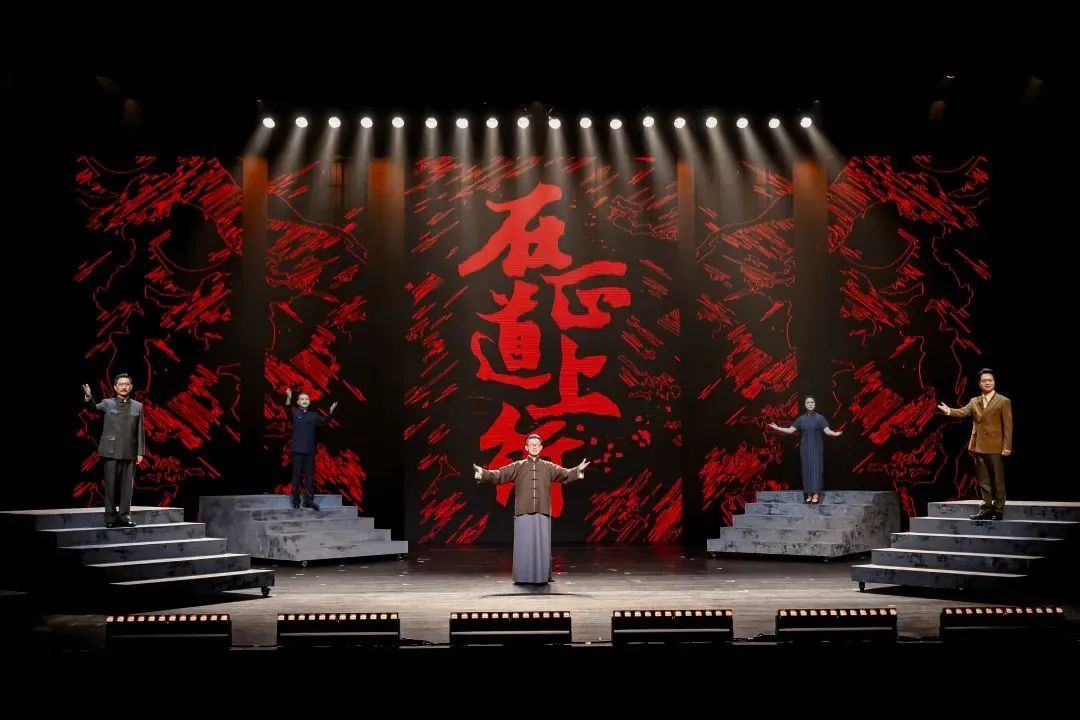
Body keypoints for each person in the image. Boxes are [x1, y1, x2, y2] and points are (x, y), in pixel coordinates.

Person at [474, 434, 589, 584]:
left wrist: (578, 470)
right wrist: (483, 473)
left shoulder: (548, 466)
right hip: (523, 511)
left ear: (541, 448)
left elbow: (565, 474)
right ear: (526, 448)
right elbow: (500, 474)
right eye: (531, 444)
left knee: (542, 546)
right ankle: (522, 576)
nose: (534, 447)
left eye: (537, 444)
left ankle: (542, 576)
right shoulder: (518, 466)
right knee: (524, 546)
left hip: (542, 511)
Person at [937, 368, 1013, 520]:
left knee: (997, 479)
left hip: (995, 446)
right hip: (978, 445)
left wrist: (1007, 446)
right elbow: (963, 412)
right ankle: (986, 509)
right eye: (984, 380)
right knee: (984, 480)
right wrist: (948, 411)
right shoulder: (974, 401)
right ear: (979, 383)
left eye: (990, 380)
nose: (987, 383)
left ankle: (998, 510)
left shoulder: (1003, 401)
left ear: (994, 382)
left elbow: (1008, 425)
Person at [82, 373, 145, 528]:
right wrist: (89, 398)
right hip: (111, 451)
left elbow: (140, 431)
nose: (124, 387)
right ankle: (110, 518)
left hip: (130, 451)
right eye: (121, 384)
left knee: (127, 488)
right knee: (110, 486)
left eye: (127, 384)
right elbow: (94, 409)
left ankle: (124, 517)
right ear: (115, 387)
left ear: (131, 387)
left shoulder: (138, 406)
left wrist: (140, 452)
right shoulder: (107, 403)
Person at [768, 396, 843, 504]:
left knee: (816, 469)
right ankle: (809, 494)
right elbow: (790, 430)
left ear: (815, 404)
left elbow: (827, 431)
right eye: (808, 402)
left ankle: (815, 494)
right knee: (806, 469)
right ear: (805, 404)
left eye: (812, 402)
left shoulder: (820, 418)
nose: (810, 404)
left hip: (816, 447)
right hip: (805, 448)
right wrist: (777, 428)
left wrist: (834, 434)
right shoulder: (801, 419)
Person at [284, 388, 338, 510]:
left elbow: (325, 420)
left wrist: (331, 412)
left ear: (309, 401)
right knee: (296, 477)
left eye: (307, 399)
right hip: (298, 450)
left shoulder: (313, 415)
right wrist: (288, 397)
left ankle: (308, 501)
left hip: (310, 451)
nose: (305, 400)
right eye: (302, 399)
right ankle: (296, 500)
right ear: (298, 402)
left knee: (309, 478)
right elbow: (287, 409)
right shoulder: (295, 412)